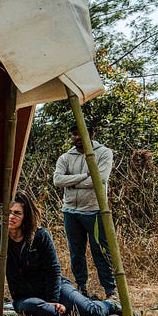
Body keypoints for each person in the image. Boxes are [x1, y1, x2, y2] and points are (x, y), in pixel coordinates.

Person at [0, 191, 130, 316]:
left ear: (26, 216)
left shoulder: (40, 235)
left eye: (17, 213)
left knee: (89, 312)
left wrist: (52, 301)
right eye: (8, 212)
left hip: (55, 288)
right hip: (26, 297)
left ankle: (110, 305)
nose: (11, 217)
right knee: (33, 308)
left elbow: (53, 269)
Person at [53, 121, 115, 299]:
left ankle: (110, 290)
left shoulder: (103, 153)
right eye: (74, 134)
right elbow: (57, 180)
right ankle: (81, 287)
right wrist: (84, 176)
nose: (77, 137)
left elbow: (100, 179)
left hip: (94, 210)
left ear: (91, 133)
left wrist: (71, 182)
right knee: (76, 251)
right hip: (71, 211)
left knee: (101, 251)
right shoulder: (66, 157)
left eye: (81, 133)